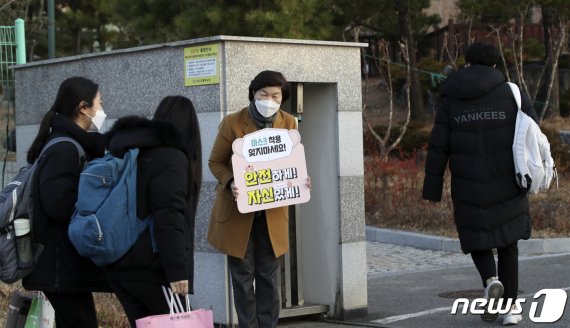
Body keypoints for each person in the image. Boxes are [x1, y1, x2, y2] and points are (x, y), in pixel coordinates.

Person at [422, 42, 538, 326]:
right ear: (496, 65)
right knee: (508, 243)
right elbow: (533, 130)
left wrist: (432, 188)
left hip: (467, 182)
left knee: (476, 236)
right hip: (509, 180)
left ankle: (489, 280)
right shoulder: (512, 93)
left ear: (468, 63)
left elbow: (438, 146)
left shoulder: (451, 97)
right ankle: (511, 309)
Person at [208, 70, 310, 328]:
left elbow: (292, 162)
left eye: (275, 95)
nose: (269, 99)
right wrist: (231, 181)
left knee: (268, 275)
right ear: (253, 94)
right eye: (263, 94)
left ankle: (268, 324)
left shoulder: (289, 122)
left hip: (272, 212)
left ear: (282, 98)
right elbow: (215, 162)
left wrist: (299, 180)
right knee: (242, 277)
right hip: (238, 212)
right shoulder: (232, 123)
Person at [103, 96, 201, 327]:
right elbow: (169, 217)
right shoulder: (171, 158)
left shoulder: (131, 152)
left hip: (120, 266)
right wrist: (178, 271)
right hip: (153, 270)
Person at [22, 76, 108, 328]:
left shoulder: (67, 143)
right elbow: (58, 204)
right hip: (58, 263)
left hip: (62, 263)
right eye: (99, 104)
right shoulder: (65, 149)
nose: (102, 111)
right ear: (83, 108)